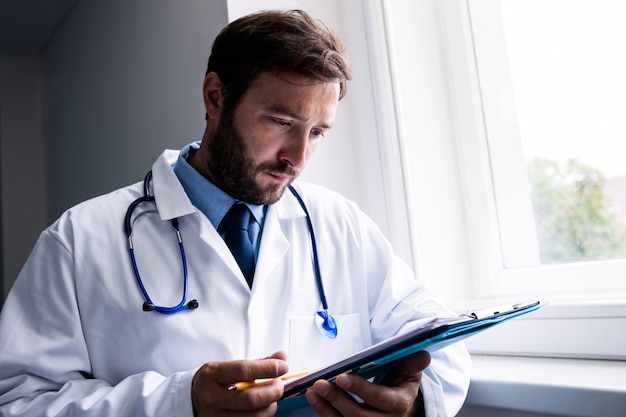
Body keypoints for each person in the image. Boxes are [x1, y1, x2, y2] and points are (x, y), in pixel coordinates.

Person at [0, 9, 470, 417]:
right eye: (282, 122)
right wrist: (177, 403)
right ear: (215, 97)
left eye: (318, 132)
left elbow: (439, 337)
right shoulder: (79, 240)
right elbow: (16, 400)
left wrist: (417, 401)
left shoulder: (340, 224)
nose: (298, 157)